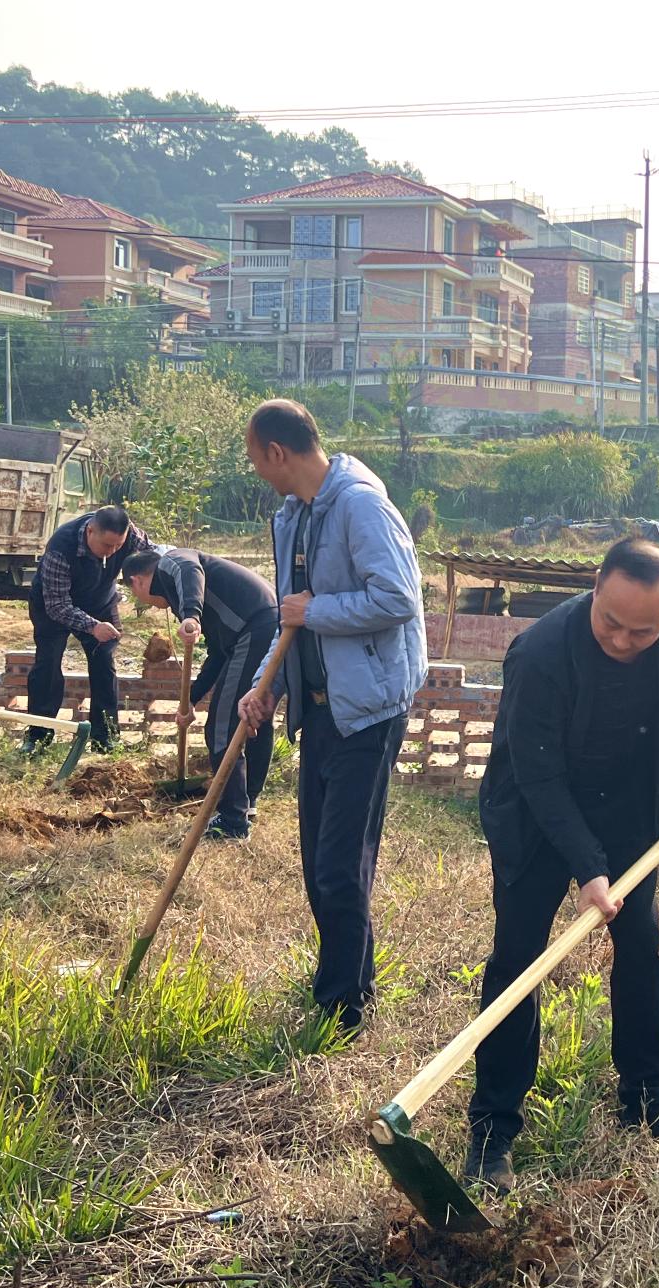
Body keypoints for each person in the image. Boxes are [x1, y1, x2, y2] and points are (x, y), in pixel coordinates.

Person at [464, 537, 659, 1192]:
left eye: (642, 629)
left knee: (641, 946)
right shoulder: (541, 654)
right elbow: (540, 775)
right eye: (610, 620)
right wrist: (588, 868)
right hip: (535, 812)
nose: (621, 638)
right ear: (595, 585)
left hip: (632, 806)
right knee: (519, 959)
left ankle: (647, 1097)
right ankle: (494, 1124)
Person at [237, 399, 426, 1031]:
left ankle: (344, 1005)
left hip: (367, 708)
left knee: (342, 861)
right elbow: (293, 616)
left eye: (255, 458)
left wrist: (313, 611)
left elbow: (396, 597)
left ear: (277, 453)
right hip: (319, 709)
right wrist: (267, 686)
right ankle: (344, 977)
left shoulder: (360, 505)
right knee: (318, 858)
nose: (257, 470)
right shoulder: (293, 516)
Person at [123, 546, 279, 841]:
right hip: (265, 629)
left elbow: (188, 569)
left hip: (256, 629)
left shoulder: (172, 561)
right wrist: (190, 700)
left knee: (220, 728)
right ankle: (246, 805)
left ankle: (233, 821)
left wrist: (190, 616)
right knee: (254, 719)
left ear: (137, 581)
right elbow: (220, 654)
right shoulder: (215, 605)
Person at [24, 505, 151, 753]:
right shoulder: (61, 547)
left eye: (118, 546)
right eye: (107, 546)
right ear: (90, 531)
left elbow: (153, 558)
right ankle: (38, 738)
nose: (113, 552)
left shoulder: (131, 535)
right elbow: (58, 605)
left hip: (100, 602)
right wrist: (92, 627)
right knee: (47, 664)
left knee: (104, 661)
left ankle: (105, 738)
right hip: (53, 604)